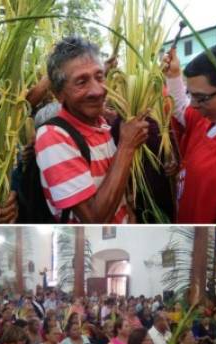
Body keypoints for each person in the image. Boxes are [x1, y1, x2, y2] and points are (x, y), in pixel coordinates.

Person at [34, 36, 149, 223]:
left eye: (99, 76)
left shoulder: (102, 124)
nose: (97, 91)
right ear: (59, 94)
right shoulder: (53, 136)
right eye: (81, 82)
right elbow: (94, 220)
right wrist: (127, 146)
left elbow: (117, 187)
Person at [162, 43, 216, 223]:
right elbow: (181, 108)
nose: (193, 105)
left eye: (201, 98)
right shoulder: (213, 117)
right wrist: (173, 75)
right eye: (191, 95)